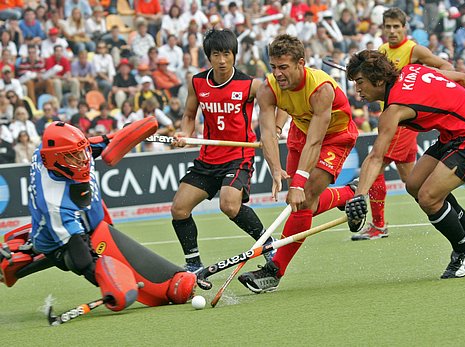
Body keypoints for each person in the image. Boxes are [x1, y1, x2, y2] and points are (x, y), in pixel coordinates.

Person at [1, 120, 198, 309]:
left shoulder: (56, 153)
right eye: (73, 156)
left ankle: (22, 252)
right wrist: (110, 283)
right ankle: (20, 258)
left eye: (80, 152)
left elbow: (100, 142)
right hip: (65, 239)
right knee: (68, 255)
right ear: (55, 159)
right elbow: (82, 260)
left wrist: (130, 134)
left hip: (85, 216)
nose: (82, 159)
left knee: (81, 235)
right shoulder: (54, 202)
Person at [344, 50, 465, 279]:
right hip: (452, 136)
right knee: (414, 184)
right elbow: (462, 78)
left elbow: (376, 157)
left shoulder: (393, 110)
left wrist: (359, 195)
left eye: (360, 82)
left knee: (429, 197)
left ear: (378, 80)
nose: (357, 90)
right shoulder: (412, 70)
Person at [238, 34, 359, 293]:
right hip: (299, 134)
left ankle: (274, 271)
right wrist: (274, 169)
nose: (278, 73)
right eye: (273, 67)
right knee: (304, 203)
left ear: (300, 63)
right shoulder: (268, 89)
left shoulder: (321, 89)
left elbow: (316, 142)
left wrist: (299, 183)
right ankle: (349, 194)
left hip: (334, 137)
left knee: (302, 200)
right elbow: (268, 134)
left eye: (284, 67)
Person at [351, 7, 465, 242]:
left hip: (403, 121)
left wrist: (427, 85)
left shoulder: (414, 50)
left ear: (404, 28)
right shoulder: (380, 51)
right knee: (412, 181)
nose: (391, 31)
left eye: (396, 27)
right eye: (387, 27)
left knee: (376, 166)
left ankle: (379, 224)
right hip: (393, 118)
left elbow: (447, 69)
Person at [170, 29, 274, 273]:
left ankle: (270, 246)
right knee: (179, 209)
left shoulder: (250, 84)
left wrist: (276, 128)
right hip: (207, 159)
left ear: (234, 55)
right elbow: (188, 116)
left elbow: (277, 102)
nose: (222, 60)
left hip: (238, 157)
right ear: (209, 56)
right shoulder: (197, 82)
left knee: (228, 205)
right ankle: (194, 263)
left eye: (227, 53)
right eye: (216, 54)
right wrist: (184, 134)